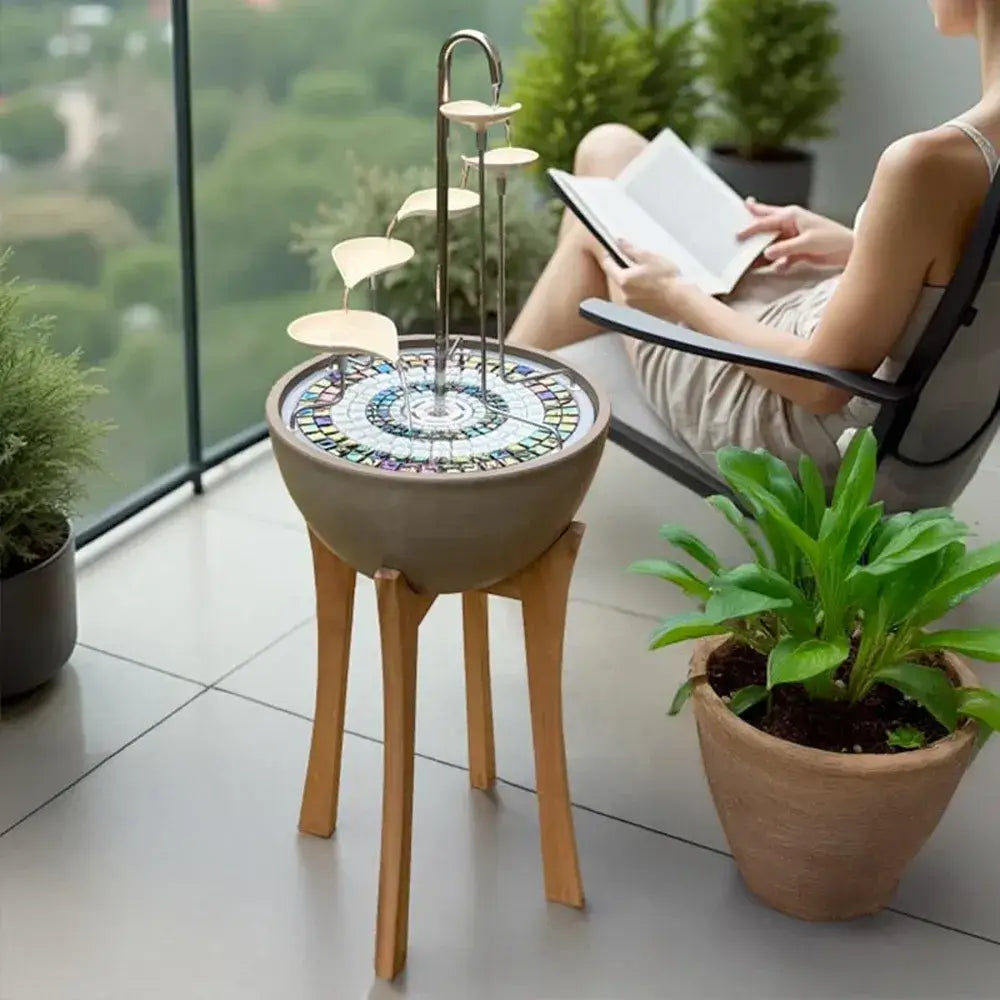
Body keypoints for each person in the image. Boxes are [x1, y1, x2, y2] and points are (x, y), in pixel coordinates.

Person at [507, 0, 1000, 483]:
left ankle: (491, 429)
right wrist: (861, 245)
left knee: (595, 227)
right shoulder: (963, 163)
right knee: (608, 148)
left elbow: (820, 385)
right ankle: (493, 423)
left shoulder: (924, 165)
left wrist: (677, 296)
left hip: (804, 429)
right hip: (882, 385)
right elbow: (977, 275)